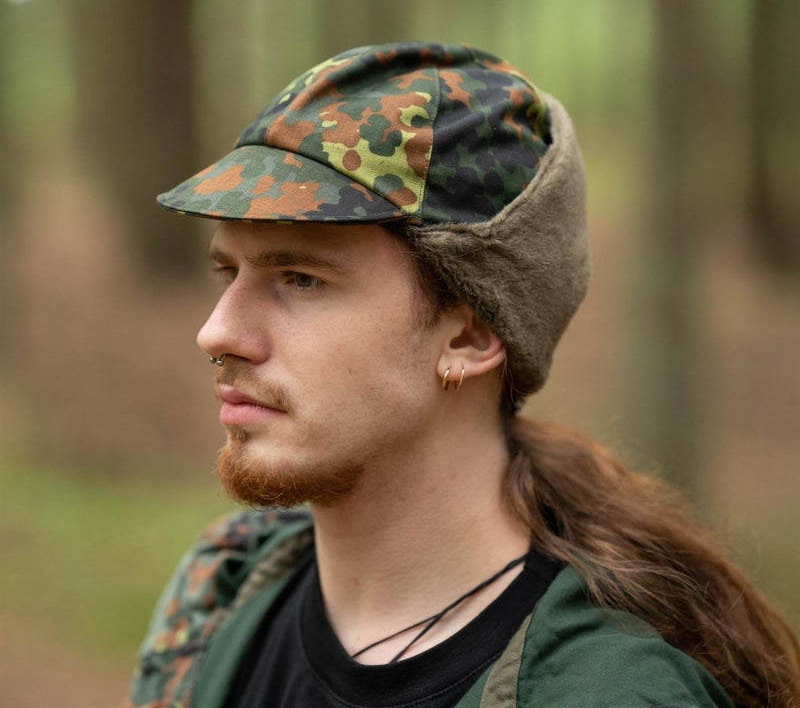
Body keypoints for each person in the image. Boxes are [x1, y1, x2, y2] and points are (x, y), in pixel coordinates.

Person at [125, 42, 799, 708]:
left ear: (472, 331)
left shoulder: (608, 692)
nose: (217, 332)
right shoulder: (225, 590)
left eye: (299, 278)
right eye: (227, 271)